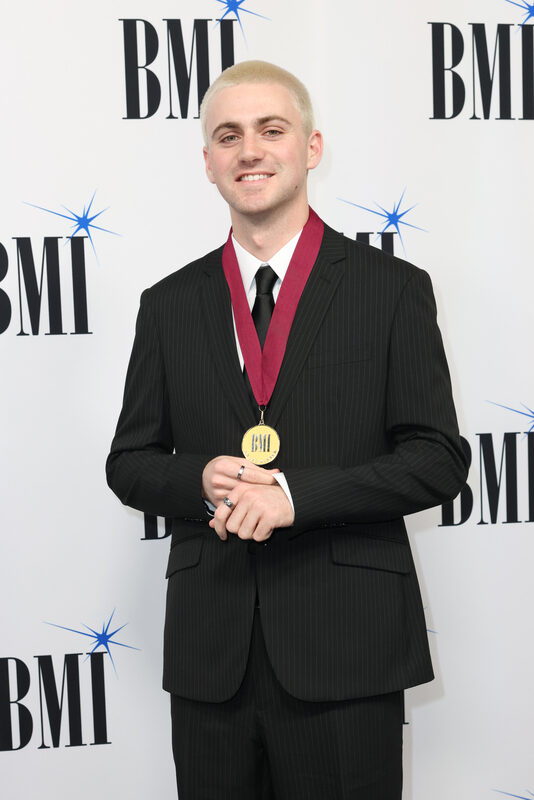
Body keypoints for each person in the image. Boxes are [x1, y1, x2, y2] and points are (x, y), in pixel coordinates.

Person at [106, 60, 467, 799]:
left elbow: (436, 459)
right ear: (207, 162)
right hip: (213, 657)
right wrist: (195, 478)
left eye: (272, 130)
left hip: (347, 649)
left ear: (311, 146)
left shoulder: (392, 290)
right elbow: (131, 462)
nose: (250, 151)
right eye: (228, 135)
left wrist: (297, 497)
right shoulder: (168, 303)